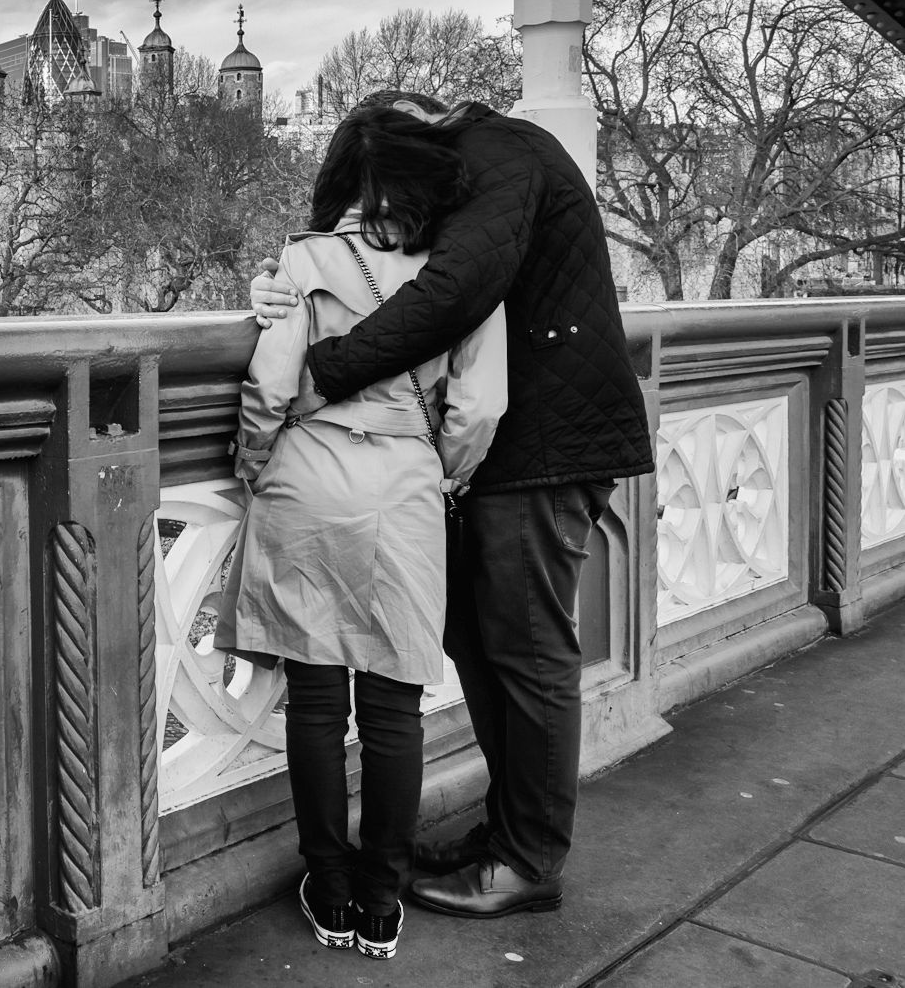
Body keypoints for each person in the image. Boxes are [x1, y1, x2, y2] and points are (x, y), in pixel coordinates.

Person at [251, 89, 655, 920]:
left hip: (549, 446)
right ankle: (508, 835)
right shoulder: (479, 168)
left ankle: (529, 860)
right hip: (510, 450)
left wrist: (324, 368)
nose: (389, 209)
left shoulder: (500, 156)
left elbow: (454, 289)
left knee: (532, 653)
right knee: (480, 639)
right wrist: (279, 280)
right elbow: (412, 271)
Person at [220, 104, 507, 960]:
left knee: (315, 701)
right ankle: (383, 897)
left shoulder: (306, 262)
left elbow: (273, 386)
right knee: (393, 707)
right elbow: (480, 405)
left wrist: (251, 462)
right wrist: (441, 467)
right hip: (406, 491)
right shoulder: (463, 274)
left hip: (306, 481)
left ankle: (329, 882)